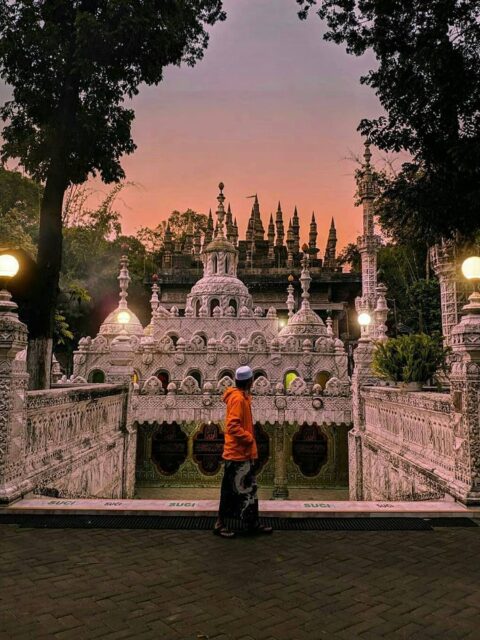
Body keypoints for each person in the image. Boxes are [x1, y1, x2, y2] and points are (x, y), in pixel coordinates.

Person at [214, 365, 273, 538]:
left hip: (242, 453)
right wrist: (249, 438)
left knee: (249, 490)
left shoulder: (242, 397)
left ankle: (251, 522)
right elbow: (232, 426)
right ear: (249, 381)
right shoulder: (238, 399)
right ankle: (220, 524)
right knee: (231, 491)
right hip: (237, 454)